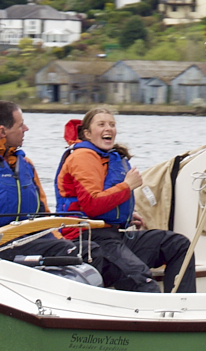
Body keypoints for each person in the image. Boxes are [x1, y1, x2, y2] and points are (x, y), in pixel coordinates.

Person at [55, 107, 196, 294]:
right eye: (102, 124)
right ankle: (159, 319)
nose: (109, 128)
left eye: (112, 124)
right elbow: (92, 204)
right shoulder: (83, 157)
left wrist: (127, 215)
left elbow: (102, 200)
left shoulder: (104, 157)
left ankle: (182, 306)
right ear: (87, 133)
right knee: (141, 278)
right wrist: (127, 186)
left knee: (177, 245)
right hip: (89, 239)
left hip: (113, 236)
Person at [0, 101, 101, 273]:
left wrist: (60, 239)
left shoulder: (26, 164)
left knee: (88, 250)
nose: (26, 129)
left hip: (26, 239)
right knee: (69, 252)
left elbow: (43, 212)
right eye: (20, 125)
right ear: (2, 131)